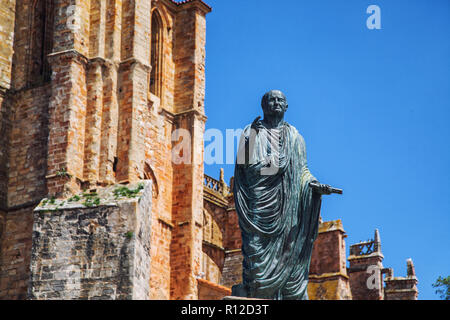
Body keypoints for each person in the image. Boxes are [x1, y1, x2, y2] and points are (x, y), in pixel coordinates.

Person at [232, 90, 332, 300]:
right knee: (255, 252)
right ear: (263, 105)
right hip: (259, 201)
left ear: (286, 107)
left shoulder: (296, 138)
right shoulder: (251, 133)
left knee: (289, 249)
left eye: (280, 100)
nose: (276, 103)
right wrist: (274, 164)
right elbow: (245, 166)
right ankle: (256, 293)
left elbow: (303, 172)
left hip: (288, 205)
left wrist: (314, 185)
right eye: (271, 100)